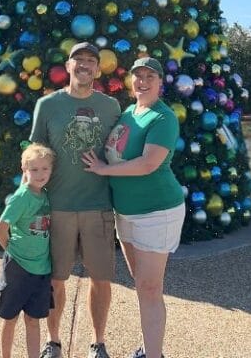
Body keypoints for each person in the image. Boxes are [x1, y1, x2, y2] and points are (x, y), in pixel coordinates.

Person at [81, 57, 185, 358]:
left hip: (156, 212)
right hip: (125, 212)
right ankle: (148, 347)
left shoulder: (162, 118)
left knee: (150, 287)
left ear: (160, 82)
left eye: (150, 76)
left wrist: (102, 170)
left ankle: (154, 354)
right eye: (137, 76)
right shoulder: (129, 112)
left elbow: (148, 163)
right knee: (142, 285)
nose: (142, 81)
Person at [30, 42, 121, 358]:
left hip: (99, 206)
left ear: (98, 69)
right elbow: (34, 156)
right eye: (78, 59)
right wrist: (29, 202)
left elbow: (122, 152)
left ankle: (98, 342)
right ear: (67, 66)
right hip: (58, 207)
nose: (84, 65)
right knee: (55, 280)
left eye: (90, 61)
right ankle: (53, 341)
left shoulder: (111, 107)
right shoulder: (48, 105)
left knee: (101, 279)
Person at [0, 144, 56, 358]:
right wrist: (12, 254)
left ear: (51, 170)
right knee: (10, 318)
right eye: (34, 169)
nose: (40, 174)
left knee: (33, 319)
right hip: (18, 268)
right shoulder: (21, 197)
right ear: (24, 170)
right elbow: (1, 229)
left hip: (41, 270)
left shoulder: (46, 196)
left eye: (45, 169)